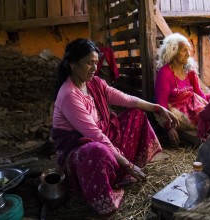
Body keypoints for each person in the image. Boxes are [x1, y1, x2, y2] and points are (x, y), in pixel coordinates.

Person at [51, 38, 178, 216]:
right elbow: (95, 135)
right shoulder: (69, 95)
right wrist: (128, 166)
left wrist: (158, 108)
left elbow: (126, 99)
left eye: (96, 62)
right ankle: (115, 181)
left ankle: (121, 169)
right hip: (79, 149)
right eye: (89, 63)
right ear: (72, 65)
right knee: (96, 150)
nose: (95, 68)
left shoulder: (94, 83)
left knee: (136, 115)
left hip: (101, 137)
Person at [154, 33, 209, 147]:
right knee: (206, 118)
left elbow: (199, 94)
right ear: (173, 51)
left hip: (194, 106)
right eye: (184, 50)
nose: (188, 54)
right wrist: (169, 128)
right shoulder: (165, 73)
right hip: (177, 111)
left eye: (188, 50)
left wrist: (207, 106)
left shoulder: (190, 71)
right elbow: (161, 104)